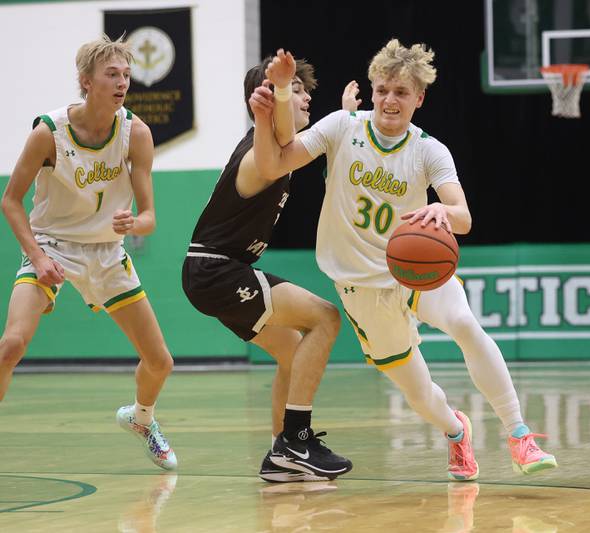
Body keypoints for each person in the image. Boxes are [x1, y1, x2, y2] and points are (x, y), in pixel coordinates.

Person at [248, 41, 558, 481]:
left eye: (401, 92)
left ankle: (519, 435)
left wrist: (442, 212)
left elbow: (464, 217)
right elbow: (276, 161)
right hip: (361, 288)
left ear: (419, 98)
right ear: (372, 91)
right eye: (383, 90)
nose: (390, 100)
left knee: (465, 324)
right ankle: (456, 431)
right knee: (417, 392)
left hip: (414, 267)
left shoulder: (430, 150)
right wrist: (276, 100)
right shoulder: (341, 126)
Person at [0, 35, 176, 470]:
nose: (122, 84)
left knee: (160, 361)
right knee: (11, 345)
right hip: (53, 247)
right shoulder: (49, 132)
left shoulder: (137, 132)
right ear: (86, 81)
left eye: (126, 76)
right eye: (111, 75)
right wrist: (38, 258)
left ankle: (142, 419)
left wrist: (136, 223)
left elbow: (151, 215)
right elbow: (10, 200)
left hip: (108, 253)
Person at [181, 56, 352, 483]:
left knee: (293, 351)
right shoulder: (261, 158)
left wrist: (346, 118)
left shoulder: (272, 148)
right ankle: (297, 438)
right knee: (326, 319)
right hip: (217, 270)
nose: (306, 95)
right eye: (295, 89)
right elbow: (292, 146)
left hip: (214, 272)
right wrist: (277, 98)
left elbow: (302, 140)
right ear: (270, 102)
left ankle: (282, 454)